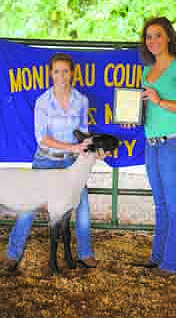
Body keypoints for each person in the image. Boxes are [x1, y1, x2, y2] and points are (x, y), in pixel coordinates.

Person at [0, 53, 99, 271]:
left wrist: (92, 150)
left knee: (81, 205)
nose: (61, 76)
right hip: (46, 162)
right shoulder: (43, 102)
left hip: (71, 165)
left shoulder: (81, 100)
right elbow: (42, 138)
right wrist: (73, 147)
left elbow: (83, 134)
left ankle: (85, 253)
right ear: (50, 73)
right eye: (57, 71)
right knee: (27, 208)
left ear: (72, 73)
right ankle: (12, 254)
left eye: (65, 71)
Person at [138, 17, 176, 276]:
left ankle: (172, 264)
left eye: (157, 35)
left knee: (174, 206)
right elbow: (147, 107)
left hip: (174, 143)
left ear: (169, 37)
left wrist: (160, 101)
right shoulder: (147, 71)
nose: (152, 41)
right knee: (161, 204)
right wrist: (134, 118)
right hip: (152, 144)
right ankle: (158, 256)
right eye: (148, 36)